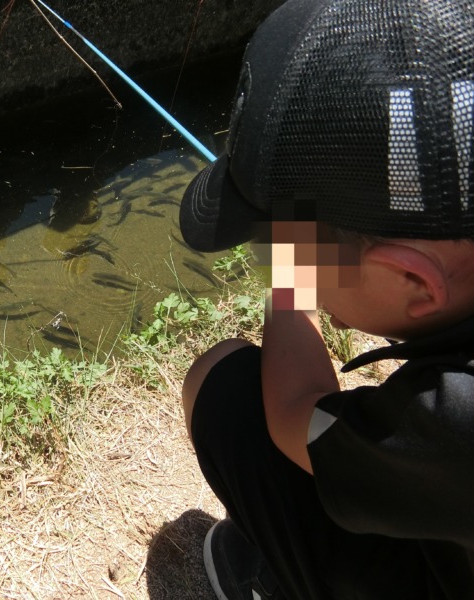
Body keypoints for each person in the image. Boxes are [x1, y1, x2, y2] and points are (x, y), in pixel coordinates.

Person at [177, 0, 474, 598]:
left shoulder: (454, 421)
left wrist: (288, 277)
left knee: (222, 385)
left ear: (416, 282)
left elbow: (294, 417)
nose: (283, 256)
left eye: (299, 248)